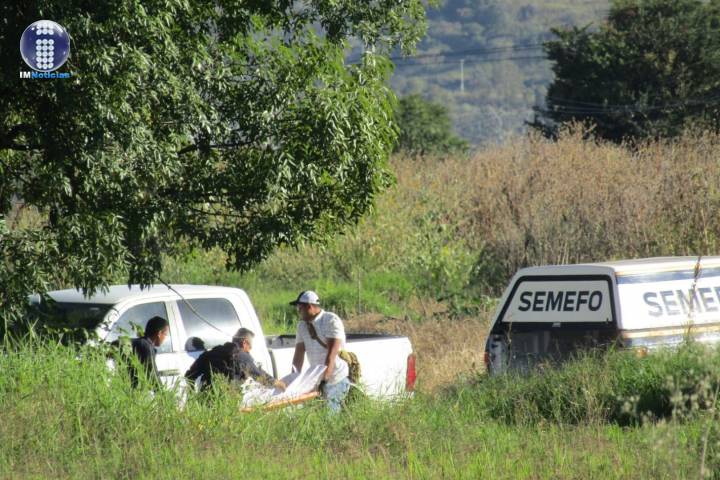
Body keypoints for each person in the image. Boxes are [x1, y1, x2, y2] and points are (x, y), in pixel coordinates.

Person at [290, 290, 350, 412]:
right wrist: (293, 379)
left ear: (309, 307)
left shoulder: (331, 320)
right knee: (316, 417)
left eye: (299, 308)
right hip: (317, 380)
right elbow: (298, 355)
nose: (298, 312)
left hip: (334, 378)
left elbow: (331, 356)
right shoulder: (302, 326)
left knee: (328, 418)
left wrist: (324, 381)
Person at [185, 327, 286, 392]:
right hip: (227, 404)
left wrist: (191, 395)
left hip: (204, 401)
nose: (249, 351)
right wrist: (278, 383)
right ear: (244, 342)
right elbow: (259, 375)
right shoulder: (242, 356)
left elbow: (189, 375)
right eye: (250, 347)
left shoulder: (212, 352)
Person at [129, 315, 169, 388]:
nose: (165, 337)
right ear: (159, 334)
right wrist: (162, 396)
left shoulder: (138, 342)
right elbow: (152, 374)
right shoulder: (146, 347)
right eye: (166, 334)